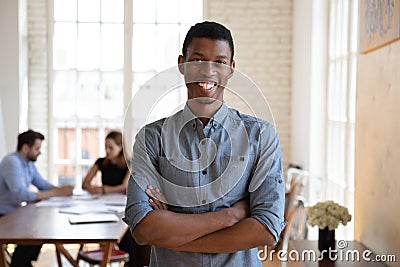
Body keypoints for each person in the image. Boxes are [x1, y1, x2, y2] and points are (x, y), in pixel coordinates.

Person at [124, 21, 285, 266]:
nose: (208, 71)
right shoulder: (151, 138)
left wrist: (174, 233)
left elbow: (266, 229)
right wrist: (231, 215)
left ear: (231, 69)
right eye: (198, 60)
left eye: (219, 62)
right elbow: (144, 229)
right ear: (182, 64)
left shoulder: (260, 136)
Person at [0, 129, 74, 267]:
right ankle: (19, 264)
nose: (39, 152)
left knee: (40, 228)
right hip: (3, 215)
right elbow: (20, 195)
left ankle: (24, 263)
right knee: (35, 231)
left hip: (14, 213)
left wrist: (62, 191)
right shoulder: (12, 162)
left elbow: (43, 185)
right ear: (25, 148)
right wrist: (57, 193)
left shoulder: (28, 164)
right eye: (37, 148)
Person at [82, 130, 150, 267]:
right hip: (103, 206)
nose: (107, 150)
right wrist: (93, 188)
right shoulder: (101, 162)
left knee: (129, 238)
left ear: (120, 148)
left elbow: (125, 187)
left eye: (111, 147)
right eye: (105, 147)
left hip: (121, 207)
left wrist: (103, 189)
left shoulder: (129, 162)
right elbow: (85, 184)